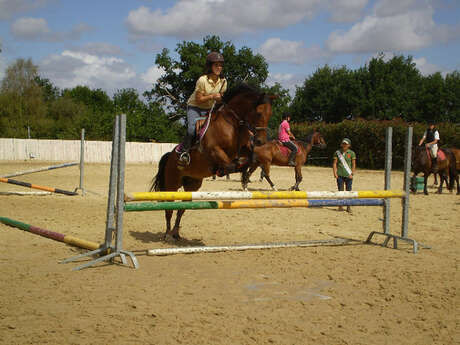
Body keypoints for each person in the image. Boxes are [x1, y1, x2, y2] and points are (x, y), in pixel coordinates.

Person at [178, 52, 227, 165]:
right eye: (216, 65)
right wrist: (213, 96)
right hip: (195, 107)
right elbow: (199, 99)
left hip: (210, 109)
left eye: (220, 65)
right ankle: (184, 153)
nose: (219, 68)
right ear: (210, 66)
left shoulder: (223, 82)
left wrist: (220, 99)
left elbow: (220, 101)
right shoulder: (202, 80)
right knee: (192, 129)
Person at [333, 138, 356, 213]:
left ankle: (348, 206)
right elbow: (335, 163)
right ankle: (340, 206)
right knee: (340, 190)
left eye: (346, 144)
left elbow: (353, 164)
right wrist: (335, 173)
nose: (344, 145)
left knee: (349, 191)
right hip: (340, 174)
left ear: (349, 145)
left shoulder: (352, 153)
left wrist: (352, 173)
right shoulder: (337, 153)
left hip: (348, 175)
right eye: (343, 143)